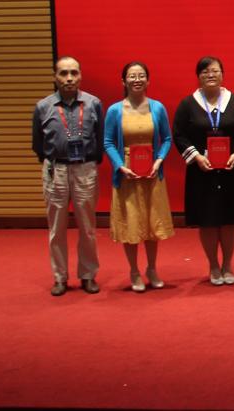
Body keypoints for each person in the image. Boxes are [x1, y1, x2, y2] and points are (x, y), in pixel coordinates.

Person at [173, 56, 234, 286]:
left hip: (231, 170)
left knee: (228, 220)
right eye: (205, 71)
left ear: (222, 74)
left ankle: (227, 264)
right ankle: (213, 265)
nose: (210, 75)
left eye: (215, 70)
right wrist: (196, 157)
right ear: (198, 76)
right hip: (201, 171)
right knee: (207, 220)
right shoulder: (188, 104)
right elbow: (179, 134)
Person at [31, 56, 104, 296]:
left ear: (81, 76)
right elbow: (38, 144)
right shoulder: (43, 107)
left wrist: (90, 162)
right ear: (55, 77)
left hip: (85, 169)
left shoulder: (93, 104)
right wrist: (54, 162)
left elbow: (100, 138)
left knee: (88, 227)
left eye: (74, 73)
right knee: (56, 228)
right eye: (63, 73)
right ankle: (60, 277)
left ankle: (88, 275)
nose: (69, 78)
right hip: (56, 170)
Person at [102, 61, 175, 293]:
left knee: (152, 224)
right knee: (131, 223)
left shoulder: (157, 108)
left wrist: (159, 160)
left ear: (148, 80)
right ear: (123, 81)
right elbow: (108, 142)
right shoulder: (115, 110)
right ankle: (134, 271)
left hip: (151, 171)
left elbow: (167, 139)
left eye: (141, 75)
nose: (137, 80)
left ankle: (152, 269)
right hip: (127, 174)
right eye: (132, 76)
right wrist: (120, 166)